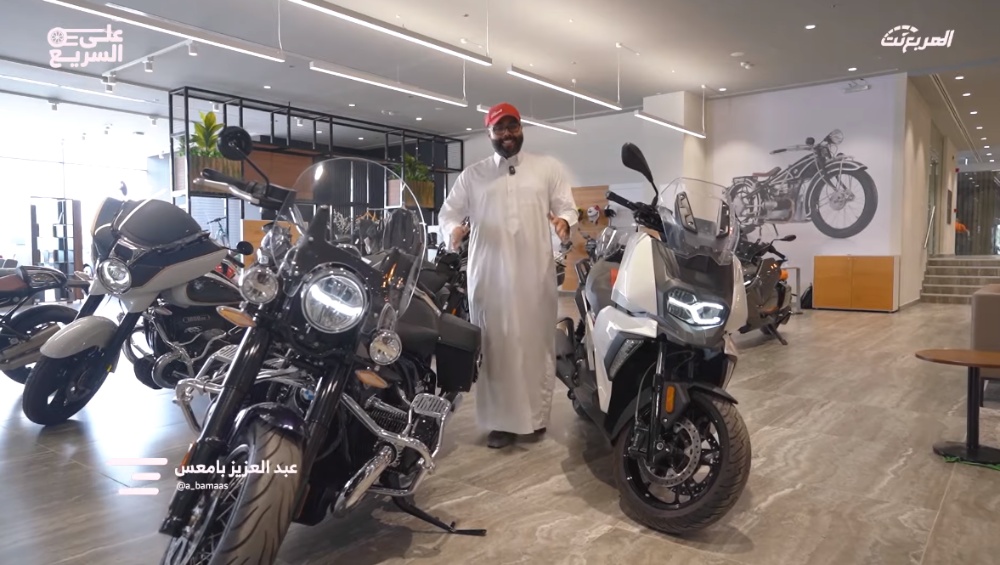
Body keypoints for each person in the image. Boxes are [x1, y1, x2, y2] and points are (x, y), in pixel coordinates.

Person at [438, 102, 578, 449]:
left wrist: (564, 222)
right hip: (490, 276)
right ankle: (500, 423)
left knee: (535, 345)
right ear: (489, 133)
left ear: (521, 128)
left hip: (535, 274)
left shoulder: (547, 168)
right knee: (496, 347)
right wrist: (453, 230)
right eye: (499, 128)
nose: (506, 134)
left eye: (512, 126)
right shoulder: (473, 175)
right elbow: (449, 213)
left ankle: (536, 418)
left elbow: (566, 206)